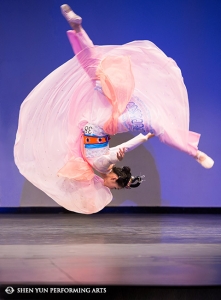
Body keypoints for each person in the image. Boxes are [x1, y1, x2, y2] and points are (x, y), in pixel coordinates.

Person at [14, 4, 214, 214]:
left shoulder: (101, 170)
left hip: (94, 118)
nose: (111, 189)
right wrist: (139, 141)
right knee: (158, 124)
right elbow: (123, 148)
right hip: (103, 121)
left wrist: (141, 145)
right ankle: (195, 152)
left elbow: (115, 159)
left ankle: (78, 28)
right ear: (113, 178)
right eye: (115, 186)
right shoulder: (103, 165)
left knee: (94, 69)